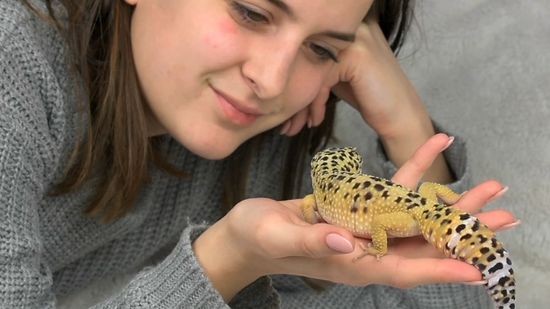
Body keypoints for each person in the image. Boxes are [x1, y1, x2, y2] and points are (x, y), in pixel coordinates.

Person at [0, 0, 518, 308]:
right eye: (251, 12)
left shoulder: (267, 156)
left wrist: (406, 126)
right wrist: (225, 262)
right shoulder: (11, 67)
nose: (270, 82)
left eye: (322, 50)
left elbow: (476, 292)